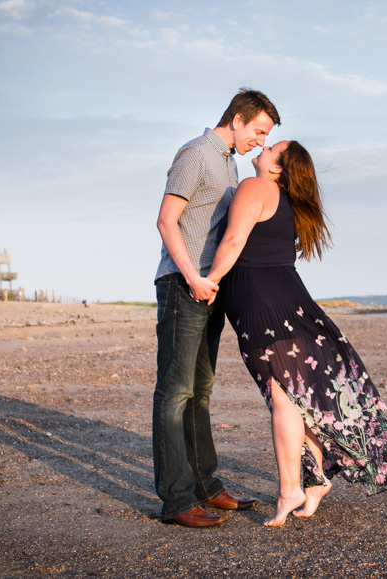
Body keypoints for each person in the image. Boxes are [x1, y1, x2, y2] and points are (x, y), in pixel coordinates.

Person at [205, 140, 387, 526]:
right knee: (293, 398)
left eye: (273, 147)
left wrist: (208, 281)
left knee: (283, 397)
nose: (265, 145)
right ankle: (314, 479)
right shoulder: (285, 200)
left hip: (263, 307)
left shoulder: (256, 187)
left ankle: (292, 488)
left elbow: (234, 241)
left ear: (278, 168)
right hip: (286, 302)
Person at [152, 88, 281, 527]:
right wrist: (192, 276)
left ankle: (206, 486)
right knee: (174, 393)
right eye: (259, 131)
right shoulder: (195, 154)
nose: (260, 143)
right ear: (239, 118)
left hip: (211, 289)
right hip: (182, 285)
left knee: (200, 392)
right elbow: (166, 220)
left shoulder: (228, 163)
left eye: (266, 137)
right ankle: (176, 500)